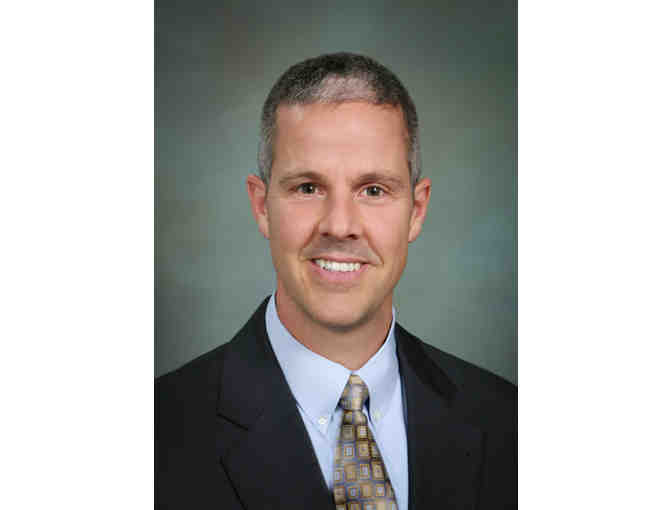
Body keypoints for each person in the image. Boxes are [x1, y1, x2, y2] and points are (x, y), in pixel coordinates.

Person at [155, 52, 516, 510]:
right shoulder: (158, 433)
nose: (340, 225)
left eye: (373, 190)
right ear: (262, 206)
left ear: (417, 210)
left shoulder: (508, 421)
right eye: (308, 188)